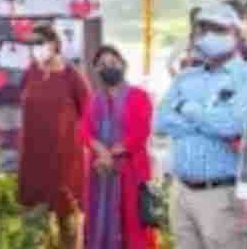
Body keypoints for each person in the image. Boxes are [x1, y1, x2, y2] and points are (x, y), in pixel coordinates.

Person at [154, 2, 247, 249]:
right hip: (181, 191)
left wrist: (187, 108)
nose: (208, 36)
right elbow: (162, 121)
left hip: (222, 194)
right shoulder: (187, 77)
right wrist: (211, 120)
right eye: (202, 29)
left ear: (237, 35)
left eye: (217, 30)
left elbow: (233, 125)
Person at [15, 23, 88, 249]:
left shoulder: (72, 76)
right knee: (34, 227)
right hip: (33, 160)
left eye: (39, 43)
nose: (35, 48)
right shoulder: (31, 73)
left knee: (68, 224)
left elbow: (88, 113)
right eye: (31, 45)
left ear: (55, 44)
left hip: (65, 162)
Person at [81, 45, 155, 249]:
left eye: (113, 63)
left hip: (131, 173)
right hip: (101, 175)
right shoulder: (94, 100)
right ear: (96, 70)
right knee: (99, 223)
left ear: (123, 65)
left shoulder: (139, 96)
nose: (109, 68)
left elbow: (140, 133)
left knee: (132, 228)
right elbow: (85, 131)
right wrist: (101, 152)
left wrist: (110, 153)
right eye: (102, 65)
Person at [167, 7, 204, 77]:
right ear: (192, 22)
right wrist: (177, 80)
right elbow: (169, 63)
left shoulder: (211, 40)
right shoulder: (186, 40)